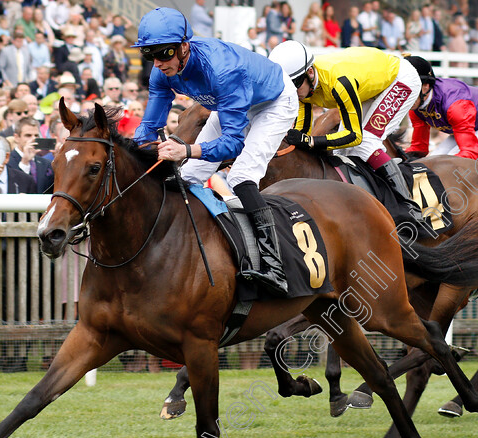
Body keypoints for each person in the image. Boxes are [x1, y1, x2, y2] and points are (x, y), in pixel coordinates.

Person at [133, 8, 298, 295]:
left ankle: (275, 266)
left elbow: (233, 145)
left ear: (184, 46)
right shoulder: (163, 71)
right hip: (233, 101)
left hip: (274, 101)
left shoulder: (223, 70)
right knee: (186, 177)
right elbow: (149, 127)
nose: (158, 62)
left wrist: (186, 148)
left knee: (242, 177)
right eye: (150, 55)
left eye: (164, 53)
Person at [269, 41, 422, 221]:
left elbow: (354, 136)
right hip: (369, 82)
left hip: (400, 78)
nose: (293, 92)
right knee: (342, 150)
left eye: (295, 85)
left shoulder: (338, 83)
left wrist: (311, 142)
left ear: (310, 73)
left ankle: (407, 203)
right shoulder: (303, 86)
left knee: (366, 141)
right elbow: (301, 132)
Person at [403, 56, 478, 168]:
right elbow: (420, 148)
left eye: (409, 90)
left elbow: (470, 152)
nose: (403, 97)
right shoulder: (416, 106)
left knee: (448, 163)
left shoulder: (455, 106)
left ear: (425, 87)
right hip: (475, 125)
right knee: (435, 159)